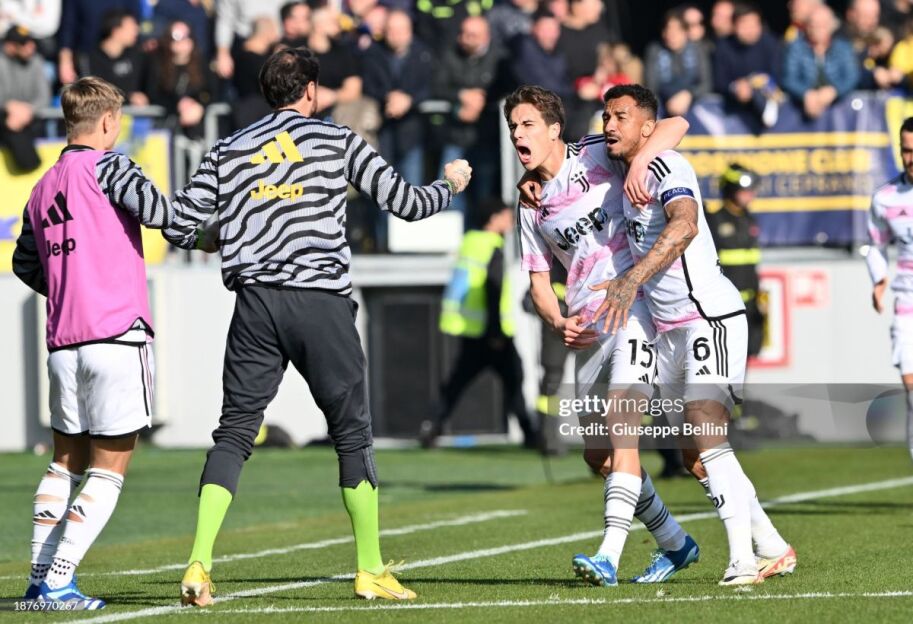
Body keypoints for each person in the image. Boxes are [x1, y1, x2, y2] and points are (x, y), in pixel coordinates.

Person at [158, 47, 472, 606]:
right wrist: (450, 184)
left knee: (234, 432)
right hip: (320, 302)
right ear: (311, 91)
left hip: (255, 303)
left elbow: (180, 225)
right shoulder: (336, 139)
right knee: (352, 433)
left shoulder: (229, 148)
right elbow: (406, 204)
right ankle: (369, 569)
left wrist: (223, 236)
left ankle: (199, 563)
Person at [592, 83, 795, 586]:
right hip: (668, 331)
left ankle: (741, 561)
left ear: (646, 127)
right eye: (605, 116)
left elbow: (684, 226)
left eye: (620, 117)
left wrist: (632, 279)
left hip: (709, 317)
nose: (609, 125)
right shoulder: (621, 163)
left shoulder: (667, 166)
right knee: (693, 457)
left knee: (707, 432)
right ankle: (772, 545)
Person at [507, 84, 702, 587]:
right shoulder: (530, 205)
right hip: (588, 327)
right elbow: (538, 282)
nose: (517, 134)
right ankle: (675, 542)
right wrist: (558, 321)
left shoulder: (596, 151)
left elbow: (676, 124)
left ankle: (609, 556)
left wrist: (641, 163)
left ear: (555, 129)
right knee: (599, 456)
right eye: (512, 127)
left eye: (527, 124)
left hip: (633, 310)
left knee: (624, 426)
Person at [12, 76, 185, 610]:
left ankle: (38, 581)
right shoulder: (112, 167)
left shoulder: (43, 185)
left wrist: (73, 283)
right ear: (108, 121)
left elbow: (24, 262)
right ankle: (59, 581)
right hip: (116, 334)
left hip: (64, 342)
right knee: (109, 467)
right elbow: (162, 215)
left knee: (64, 462)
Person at [420, 198, 538, 450]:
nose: (511, 221)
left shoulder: (470, 242)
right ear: (493, 219)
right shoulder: (492, 246)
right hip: (491, 332)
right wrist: (495, 332)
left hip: (471, 328)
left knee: (458, 382)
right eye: (506, 216)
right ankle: (530, 434)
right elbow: (492, 290)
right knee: (514, 378)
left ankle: (432, 426)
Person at [866, 115, 913, 464]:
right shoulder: (885, 198)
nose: (911, 158)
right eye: (906, 150)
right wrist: (879, 278)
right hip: (907, 303)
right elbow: (876, 245)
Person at [362, 9, 433, 186]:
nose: (396, 35)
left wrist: (409, 99)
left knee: (411, 185)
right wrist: (389, 97)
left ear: (410, 31)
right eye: (391, 30)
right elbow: (367, 85)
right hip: (382, 128)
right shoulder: (373, 53)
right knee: (383, 186)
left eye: (401, 30)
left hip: (413, 130)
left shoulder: (424, 54)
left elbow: (432, 86)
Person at [707, 163, 764, 357]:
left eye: (752, 190)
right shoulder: (713, 220)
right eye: (745, 190)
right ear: (731, 189)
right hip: (723, 306)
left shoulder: (750, 220)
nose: (751, 195)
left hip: (749, 306)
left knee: (745, 358)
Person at [782, 3, 859, 119]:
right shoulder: (795, 47)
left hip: (840, 114)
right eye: (813, 25)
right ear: (807, 26)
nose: (817, 29)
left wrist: (834, 91)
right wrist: (806, 94)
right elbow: (788, 78)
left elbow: (851, 77)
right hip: (802, 110)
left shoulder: (843, 48)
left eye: (822, 25)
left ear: (831, 26)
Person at [713, 2, 783, 128]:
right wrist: (736, 87)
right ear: (734, 26)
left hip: (770, 117)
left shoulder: (771, 44)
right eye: (745, 25)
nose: (750, 30)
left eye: (754, 25)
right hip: (731, 116)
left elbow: (779, 76)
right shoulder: (723, 46)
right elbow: (719, 81)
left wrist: (760, 85)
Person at [146, 19, 217, 139]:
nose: (182, 42)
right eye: (176, 37)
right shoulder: (157, 64)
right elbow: (154, 93)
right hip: (166, 128)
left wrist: (199, 106)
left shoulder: (202, 65)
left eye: (186, 36)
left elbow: (212, 92)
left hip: (198, 129)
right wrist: (178, 105)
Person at [644, 9, 711, 117]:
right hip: (664, 105)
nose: (672, 35)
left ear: (685, 32)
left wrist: (688, 94)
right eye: (668, 29)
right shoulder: (655, 50)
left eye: (677, 30)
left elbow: (706, 84)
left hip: (694, 103)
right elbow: (651, 88)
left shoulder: (698, 49)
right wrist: (669, 101)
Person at [0, 24, 49, 172]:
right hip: (5, 117)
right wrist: (9, 106)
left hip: (29, 119)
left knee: (14, 123)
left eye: (30, 42)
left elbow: (44, 96)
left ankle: (29, 164)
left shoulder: (36, 61)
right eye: (23, 43)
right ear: (9, 46)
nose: (30, 47)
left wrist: (27, 110)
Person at [79, 9, 149, 106]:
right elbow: (92, 92)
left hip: (134, 114)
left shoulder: (137, 55)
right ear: (116, 31)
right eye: (131, 27)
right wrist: (128, 98)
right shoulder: (90, 58)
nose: (136, 30)